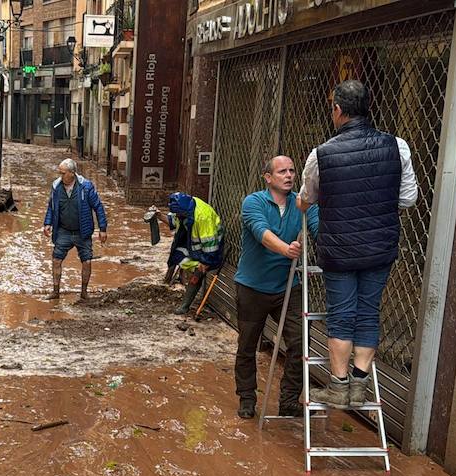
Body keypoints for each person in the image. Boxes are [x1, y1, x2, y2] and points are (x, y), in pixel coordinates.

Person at [299, 80, 418, 408]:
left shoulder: (321, 154)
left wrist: (308, 203)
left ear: (337, 110)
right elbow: (408, 198)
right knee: (369, 311)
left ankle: (338, 387)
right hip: (380, 245)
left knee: (341, 314)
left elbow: (307, 197)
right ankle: (360, 385)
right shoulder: (399, 146)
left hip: (339, 248)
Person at [234, 155, 320, 419]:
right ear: (268, 178)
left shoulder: (304, 204)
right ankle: (247, 398)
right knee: (248, 344)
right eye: (282, 171)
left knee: (301, 342)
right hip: (252, 286)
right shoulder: (254, 202)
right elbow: (262, 233)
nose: (289, 175)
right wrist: (287, 249)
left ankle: (289, 400)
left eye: (292, 171)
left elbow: (319, 230)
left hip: (288, 287)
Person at [42, 158, 109, 300]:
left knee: (87, 261)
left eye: (63, 173)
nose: (60, 176)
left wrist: (102, 229)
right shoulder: (56, 187)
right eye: (60, 173)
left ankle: (84, 292)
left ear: (72, 173)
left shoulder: (86, 187)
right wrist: (47, 223)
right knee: (56, 260)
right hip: (63, 231)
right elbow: (51, 207)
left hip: (82, 232)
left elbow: (98, 207)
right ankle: (55, 291)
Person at [155, 191, 223, 315]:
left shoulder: (203, 217)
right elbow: (173, 222)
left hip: (208, 248)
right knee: (178, 256)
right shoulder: (184, 207)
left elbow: (210, 244)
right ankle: (185, 284)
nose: (177, 216)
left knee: (198, 272)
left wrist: (205, 262)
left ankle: (185, 305)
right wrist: (159, 215)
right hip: (191, 241)